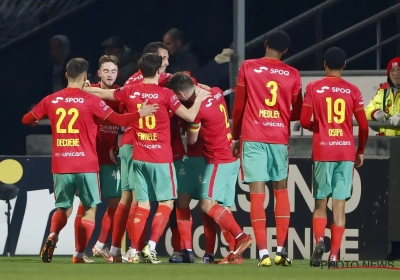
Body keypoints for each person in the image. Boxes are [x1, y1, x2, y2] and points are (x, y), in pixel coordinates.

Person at [21, 58, 158, 263]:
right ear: (87, 76)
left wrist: (35, 122)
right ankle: (78, 255)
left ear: (66, 75)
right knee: (89, 209)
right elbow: (119, 120)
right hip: (86, 164)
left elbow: (26, 120)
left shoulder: (51, 99)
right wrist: (140, 113)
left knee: (63, 208)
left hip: (61, 165)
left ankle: (52, 235)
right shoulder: (92, 100)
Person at [83, 53, 211, 264]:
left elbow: (102, 93)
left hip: (139, 156)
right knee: (167, 202)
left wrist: (82, 89)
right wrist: (199, 99)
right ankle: (149, 246)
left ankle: (132, 251)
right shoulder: (165, 94)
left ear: (140, 70)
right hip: (160, 157)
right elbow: (189, 117)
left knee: (141, 204)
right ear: (160, 70)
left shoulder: (129, 91)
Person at [231, 30, 303, 267]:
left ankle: (263, 253)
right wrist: (280, 115)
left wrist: (235, 136)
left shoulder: (249, 67)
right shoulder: (293, 74)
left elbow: (239, 105)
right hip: (278, 137)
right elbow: (298, 110)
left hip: (253, 137)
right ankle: (281, 250)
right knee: (281, 190)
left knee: (257, 193)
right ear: (286, 51)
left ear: (265, 44)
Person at [168, 72, 253, 264]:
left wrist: (187, 121)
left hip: (218, 159)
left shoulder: (197, 113)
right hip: (232, 156)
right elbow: (205, 87)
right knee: (221, 207)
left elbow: (192, 140)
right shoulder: (215, 92)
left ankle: (241, 237)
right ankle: (235, 255)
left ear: (180, 95)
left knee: (207, 205)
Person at [100, 42, 172, 263]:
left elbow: (119, 105)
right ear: (155, 61)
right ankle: (133, 249)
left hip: (129, 142)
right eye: (164, 58)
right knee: (135, 200)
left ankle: (112, 248)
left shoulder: (131, 83)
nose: (167, 62)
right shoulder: (161, 85)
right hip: (140, 143)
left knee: (128, 198)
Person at [300, 47, 369, 267]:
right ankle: (333, 256)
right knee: (339, 206)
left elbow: (303, 121)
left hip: (323, 150)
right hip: (345, 152)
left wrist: (316, 127)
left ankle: (320, 241)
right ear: (345, 65)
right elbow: (365, 126)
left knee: (321, 202)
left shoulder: (313, 87)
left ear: (324, 64)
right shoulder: (353, 90)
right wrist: (360, 150)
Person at [77, 55, 121, 260]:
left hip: (110, 160)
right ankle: (80, 249)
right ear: (99, 73)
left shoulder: (120, 95)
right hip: (91, 159)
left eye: (113, 71)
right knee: (87, 205)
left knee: (115, 204)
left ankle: (100, 245)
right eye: (106, 71)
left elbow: (126, 124)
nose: (110, 74)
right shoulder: (88, 92)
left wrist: (117, 145)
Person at [365, 57, 400, 136]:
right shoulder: (382, 92)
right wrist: (375, 113)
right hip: (386, 143)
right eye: (392, 70)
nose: (395, 73)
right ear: (388, 74)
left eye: (399, 70)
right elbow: (366, 111)